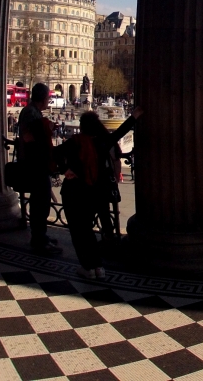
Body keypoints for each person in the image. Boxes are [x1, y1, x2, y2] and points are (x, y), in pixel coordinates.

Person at [54, 108, 143, 279]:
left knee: (78, 232)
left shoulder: (75, 142)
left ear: (81, 126)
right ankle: (98, 267)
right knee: (88, 230)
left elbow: (55, 153)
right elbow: (119, 133)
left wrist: (65, 170)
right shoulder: (103, 143)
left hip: (74, 191)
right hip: (95, 192)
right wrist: (134, 117)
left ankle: (87, 267)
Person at [17, 83, 61, 255]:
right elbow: (27, 136)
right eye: (48, 97)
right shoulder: (29, 113)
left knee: (42, 201)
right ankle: (38, 239)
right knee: (39, 202)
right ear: (44, 98)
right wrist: (46, 130)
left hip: (38, 162)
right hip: (34, 163)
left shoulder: (33, 112)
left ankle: (41, 235)